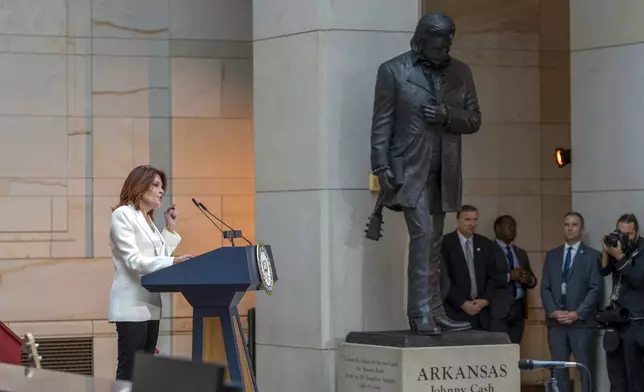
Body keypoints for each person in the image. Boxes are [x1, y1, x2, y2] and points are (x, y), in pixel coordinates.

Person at [369, 11, 480, 335]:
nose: (444, 50)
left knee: (433, 243)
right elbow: (382, 124)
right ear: (420, 42)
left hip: (445, 170)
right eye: (437, 45)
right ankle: (419, 314)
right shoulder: (393, 71)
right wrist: (380, 164)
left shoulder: (461, 72)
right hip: (409, 170)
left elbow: (474, 118)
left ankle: (434, 309)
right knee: (423, 237)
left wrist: (448, 115)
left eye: (448, 44)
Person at [108, 165, 192, 381]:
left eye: (162, 186)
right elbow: (134, 261)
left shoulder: (149, 221)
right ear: (139, 185)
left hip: (151, 305)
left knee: (145, 373)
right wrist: (173, 260)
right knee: (130, 370)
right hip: (131, 304)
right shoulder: (123, 214)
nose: (161, 190)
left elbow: (158, 258)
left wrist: (170, 229)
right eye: (155, 185)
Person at [540, 212, 602, 392]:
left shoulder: (592, 256)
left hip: (581, 324)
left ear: (581, 229)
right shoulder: (552, 255)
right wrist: (554, 311)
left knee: (585, 371)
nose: (569, 228)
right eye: (566, 224)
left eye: (574, 225)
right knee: (559, 372)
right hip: (556, 323)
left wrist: (577, 313)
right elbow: (545, 288)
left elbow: (595, 289)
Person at [441, 205, 509, 331]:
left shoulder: (486, 244)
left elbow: (494, 276)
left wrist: (485, 300)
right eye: (467, 219)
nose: (472, 224)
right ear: (458, 220)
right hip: (455, 311)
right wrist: (462, 303)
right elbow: (443, 279)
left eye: (475, 219)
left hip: (482, 314)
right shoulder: (445, 243)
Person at [599, 214, 644, 392]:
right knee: (616, 375)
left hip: (637, 321)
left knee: (636, 376)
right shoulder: (616, 247)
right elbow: (603, 271)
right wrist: (605, 252)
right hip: (616, 319)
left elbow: (637, 279)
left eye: (629, 234)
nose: (625, 237)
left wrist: (619, 257)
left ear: (637, 232)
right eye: (620, 232)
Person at [489, 215, 537, 344]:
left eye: (514, 226)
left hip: (518, 310)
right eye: (509, 226)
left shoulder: (520, 252)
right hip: (499, 311)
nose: (513, 229)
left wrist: (529, 279)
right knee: (499, 352)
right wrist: (510, 276)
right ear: (497, 228)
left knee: (515, 350)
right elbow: (489, 277)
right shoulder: (489, 250)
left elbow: (533, 279)